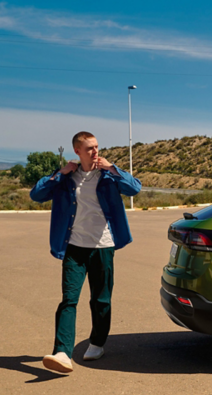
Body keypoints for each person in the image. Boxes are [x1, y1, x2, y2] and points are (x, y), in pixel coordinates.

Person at [30, 131, 141, 373]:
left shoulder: (109, 176)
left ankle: (98, 342)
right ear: (77, 151)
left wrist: (113, 169)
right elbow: (36, 194)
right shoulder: (67, 178)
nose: (95, 152)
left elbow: (134, 189)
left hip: (103, 246)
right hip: (74, 248)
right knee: (69, 300)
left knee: (101, 300)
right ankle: (62, 352)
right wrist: (61, 173)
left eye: (97, 147)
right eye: (89, 148)